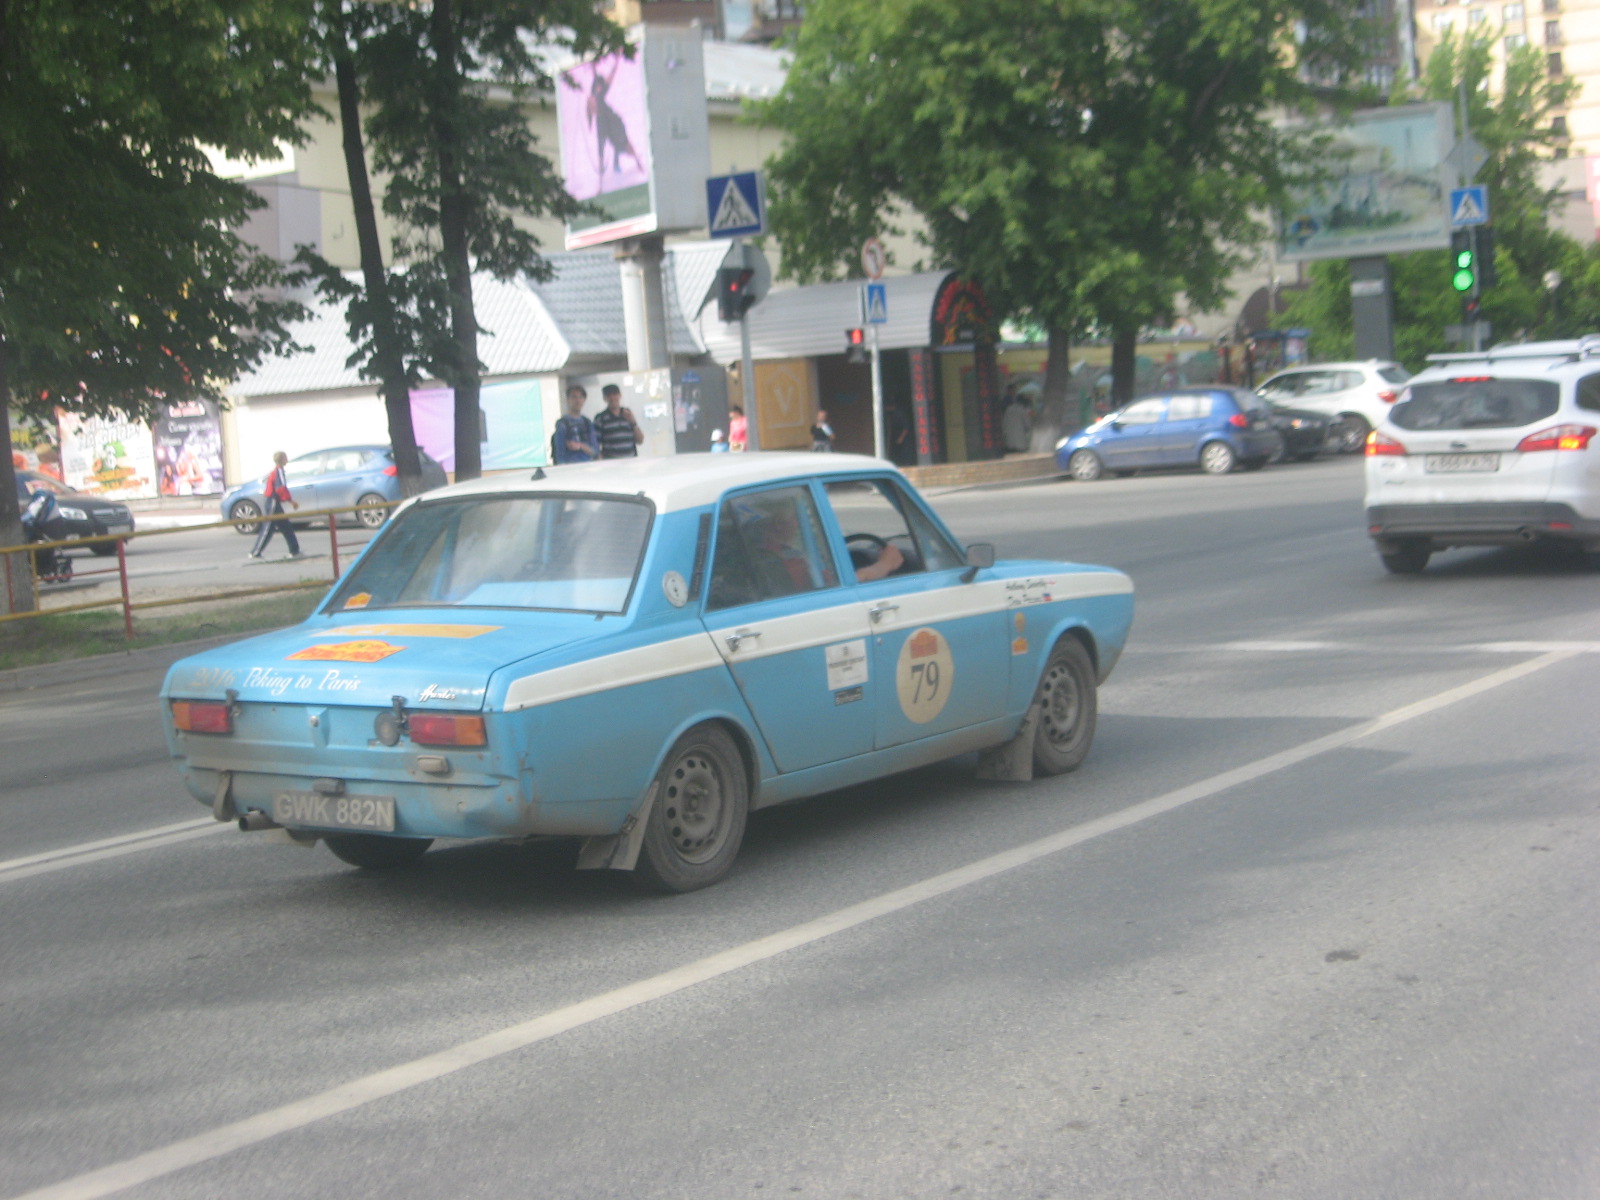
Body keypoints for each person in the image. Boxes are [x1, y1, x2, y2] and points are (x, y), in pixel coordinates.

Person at [250, 451, 302, 560]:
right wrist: (291, 501)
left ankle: (294, 550)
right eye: (285, 458)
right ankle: (256, 552)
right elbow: (280, 488)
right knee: (269, 528)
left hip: (273, 502)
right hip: (272, 502)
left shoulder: (277, 471)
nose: (287, 460)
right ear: (282, 459)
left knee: (285, 526)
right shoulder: (279, 471)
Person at [593, 383, 643, 458]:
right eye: (609, 395)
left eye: (615, 394)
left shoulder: (628, 414)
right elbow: (596, 444)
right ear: (604, 398)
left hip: (631, 461)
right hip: (611, 462)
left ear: (620, 395)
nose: (612, 398)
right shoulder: (600, 418)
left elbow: (640, 441)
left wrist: (633, 422)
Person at [552, 385, 599, 465]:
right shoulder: (562, 424)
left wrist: (580, 446)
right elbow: (559, 453)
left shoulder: (587, 422)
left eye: (580, 397)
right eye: (574, 397)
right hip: (570, 467)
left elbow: (595, 451)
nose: (578, 401)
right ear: (568, 399)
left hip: (587, 465)